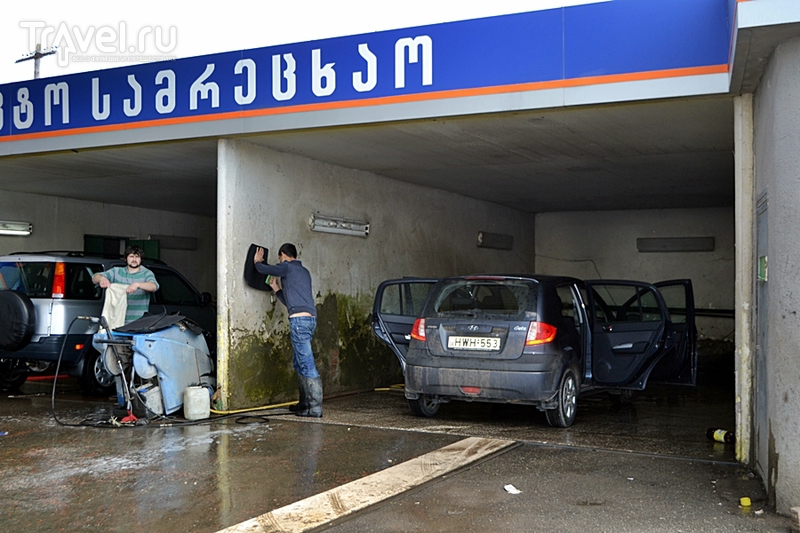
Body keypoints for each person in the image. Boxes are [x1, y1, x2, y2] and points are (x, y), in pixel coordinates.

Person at [254, 243, 322, 418]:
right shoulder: (303, 272)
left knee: (306, 364)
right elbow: (290, 300)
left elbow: (263, 269)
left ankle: (314, 408)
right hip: (310, 319)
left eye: (279, 259)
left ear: (283, 255)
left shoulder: (287, 267)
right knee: (299, 362)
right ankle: (304, 404)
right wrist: (276, 288)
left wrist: (257, 262)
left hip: (299, 321)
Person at [92, 246, 159, 324]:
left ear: (141, 259)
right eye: (131, 256)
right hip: (116, 321)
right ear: (125, 259)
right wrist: (102, 279)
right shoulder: (116, 271)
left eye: (137, 257)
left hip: (138, 323)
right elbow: (94, 277)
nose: (134, 259)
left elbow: (153, 286)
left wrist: (137, 284)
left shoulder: (147, 273)